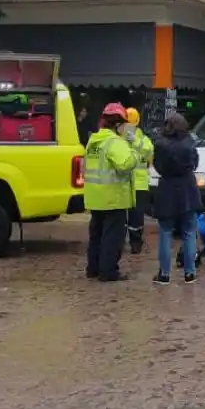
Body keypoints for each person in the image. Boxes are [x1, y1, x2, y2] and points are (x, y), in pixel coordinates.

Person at [82, 102, 140, 282]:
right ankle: (108, 272)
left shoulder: (93, 140)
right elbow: (126, 164)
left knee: (96, 235)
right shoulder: (115, 142)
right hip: (113, 197)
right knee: (112, 238)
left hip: (95, 197)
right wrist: (133, 148)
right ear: (117, 125)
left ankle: (93, 268)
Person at [151, 111, 201, 285]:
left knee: (165, 232)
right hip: (188, 189)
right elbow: (195, 163)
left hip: (167, 190)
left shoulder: (160, 144)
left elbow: (157, 165)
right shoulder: (190, 142)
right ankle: (190, 273)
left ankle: (164, 274)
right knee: (189, 233)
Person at [123, 107, 154, 255]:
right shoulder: (118, 139)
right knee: (121, 216)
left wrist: (133, 140)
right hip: (123, 184)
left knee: (136, 217)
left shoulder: (143, 139)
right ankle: (119, 242)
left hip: (139, 185)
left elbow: (149, 153)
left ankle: (136, 243)